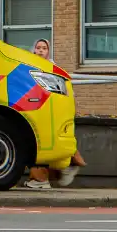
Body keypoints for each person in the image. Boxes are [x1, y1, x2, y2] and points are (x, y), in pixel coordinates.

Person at [24, 38, 86, 189]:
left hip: (46, 110)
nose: (40, 50)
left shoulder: (51, 68)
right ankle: (67, 165)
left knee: (40, 143)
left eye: (44, 48)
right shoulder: (29, 65)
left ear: (48, 51)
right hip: (40, 108)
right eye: (38, 47)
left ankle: (41, 179)